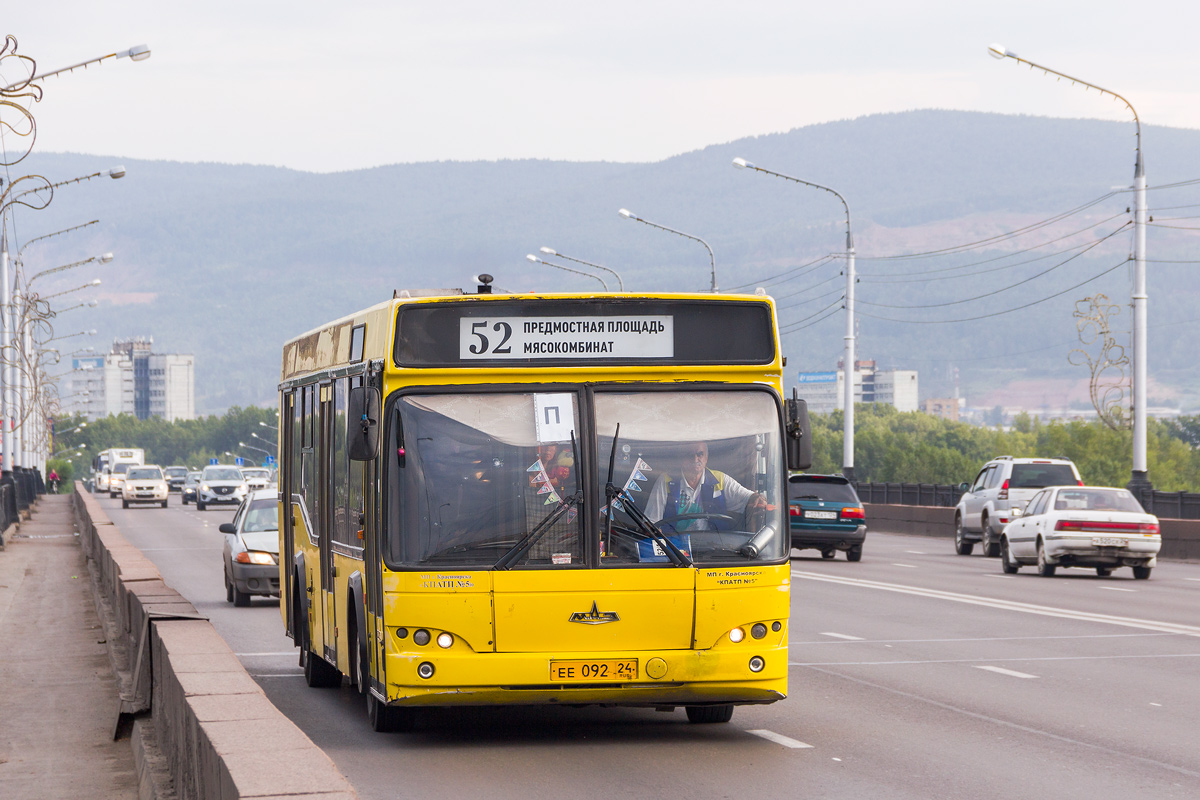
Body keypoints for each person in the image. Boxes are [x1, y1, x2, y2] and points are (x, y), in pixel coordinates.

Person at [644, 441, 766, 531]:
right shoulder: (665, 480)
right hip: (676, 551)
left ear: (706, 458)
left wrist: (758, 499)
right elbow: (651, 523)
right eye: (689, 455)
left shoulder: (720, 479)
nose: (695, 458)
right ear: (681, 458)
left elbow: (750, 498)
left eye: (700, 454)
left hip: (713, 548)